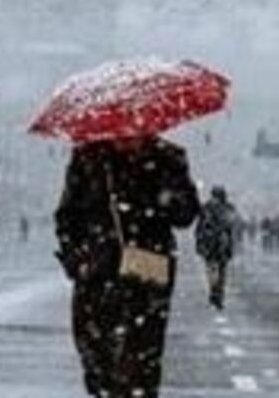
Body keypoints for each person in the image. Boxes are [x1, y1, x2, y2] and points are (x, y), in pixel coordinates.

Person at [55, 135, 200, 398]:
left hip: (148, 270)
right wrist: (76, 259)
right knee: (96, 357)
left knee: (142, 358)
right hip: (97, 272)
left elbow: (186, 215)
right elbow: (67, 215)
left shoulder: (168, 157)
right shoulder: (89, 157)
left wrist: (164, 197)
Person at [195, 186, 239, 310]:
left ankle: (214, 292)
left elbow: (199, 228)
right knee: (222, 271)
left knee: (211, 269)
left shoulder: (206, 207)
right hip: (223, 245)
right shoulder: (229, 208)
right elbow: (232, 229)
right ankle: (219, 293)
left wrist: (199, 244)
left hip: (209, 245)